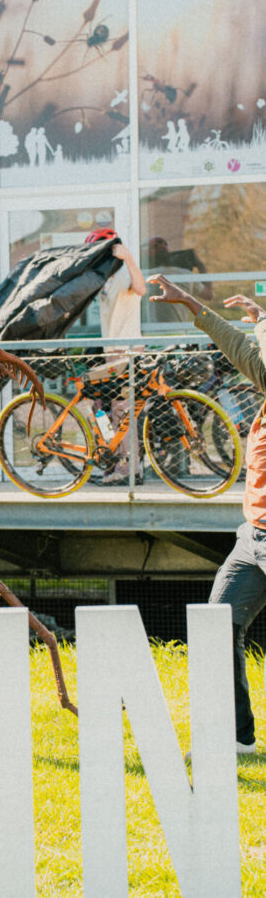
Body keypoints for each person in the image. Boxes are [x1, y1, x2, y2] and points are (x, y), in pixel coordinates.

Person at [149, 274, 266, 755]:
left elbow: (247, 352)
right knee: (217, 625)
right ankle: (233, 738)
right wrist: (192, 304)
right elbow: (245, 348)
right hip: (255, 534)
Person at [84, 228, 147, 484]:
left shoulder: (122, 274)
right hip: (110, 352)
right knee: (98, 406)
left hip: (127, 350)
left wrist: (129, 259)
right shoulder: (103, 278)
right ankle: (114, 460)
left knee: (123, 410)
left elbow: (141, 289)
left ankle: (128, 468)